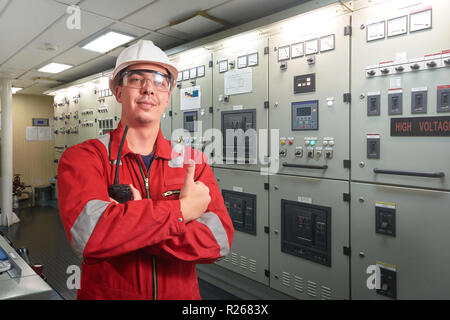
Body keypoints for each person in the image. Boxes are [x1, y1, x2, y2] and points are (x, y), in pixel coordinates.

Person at [57, 40, 234, 300]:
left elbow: (218, 242)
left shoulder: (191, 163)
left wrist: (129, 224)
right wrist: (182, 211)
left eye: (159, 81)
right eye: (137, 79)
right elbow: (91, 237)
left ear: (167, 96)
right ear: (118, 92)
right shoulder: (85, 158)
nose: (149, 89)